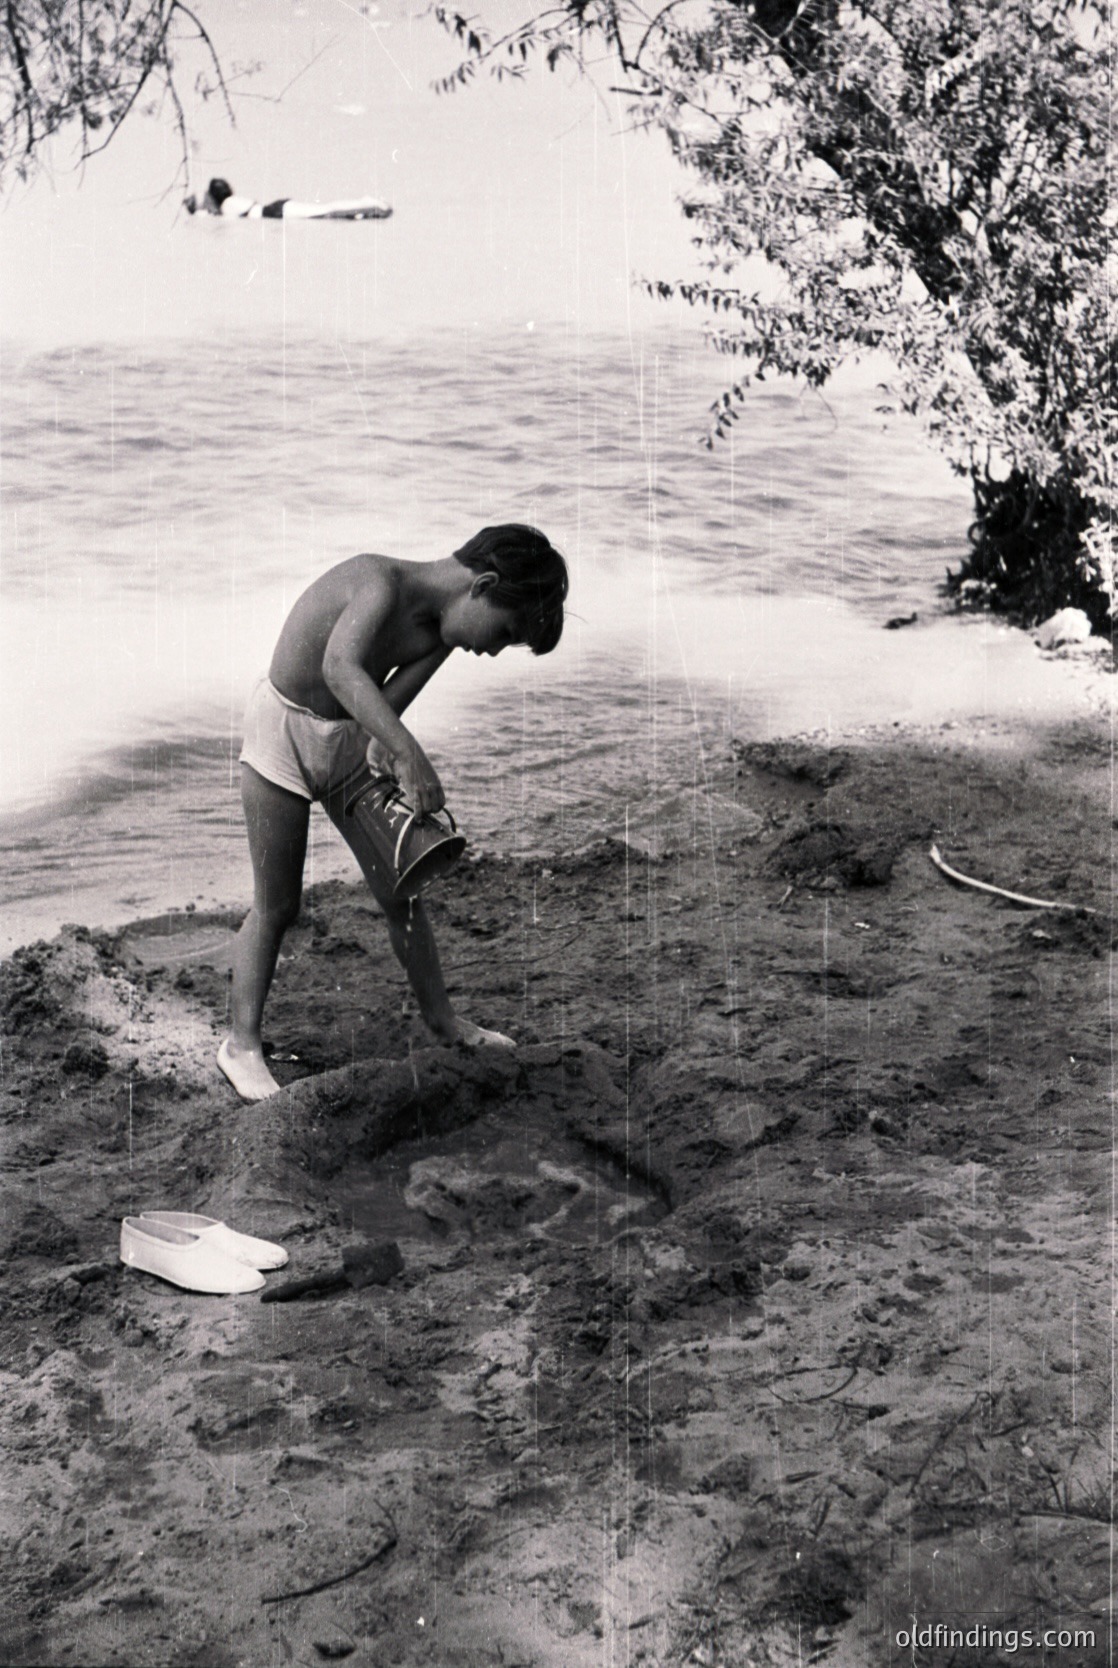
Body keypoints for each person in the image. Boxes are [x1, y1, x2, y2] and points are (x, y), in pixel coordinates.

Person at [217, 526, 569, 1103]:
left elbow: (384, 715)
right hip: (281, 730)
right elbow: (340, 669)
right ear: (481, 585)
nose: (492, 651)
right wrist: (410, 754)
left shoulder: (443, 635)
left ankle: (443, 1023)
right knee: (277, 904)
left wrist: (391, 755)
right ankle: (242, 1045)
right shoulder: (379, 582)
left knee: (402, 892)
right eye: (504, 633)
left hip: (347, 748)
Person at [184, 177, 392, 220]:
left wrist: (197, 208)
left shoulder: (228, 206)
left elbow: (216, 219)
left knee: (325, 211)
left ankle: (367, 203)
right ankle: (366, 210)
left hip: (278, 212)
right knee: (326, 214)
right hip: (277, 210)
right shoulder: (231, 202)